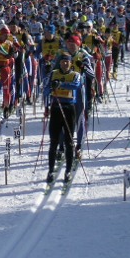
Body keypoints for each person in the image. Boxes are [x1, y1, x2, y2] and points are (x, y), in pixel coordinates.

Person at [44, 52, 82, 184]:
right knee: (53, 141)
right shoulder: (53, 74)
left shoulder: (75, 75)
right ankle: (50, 170)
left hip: (69, 108)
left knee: (69, 141)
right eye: (63, 61)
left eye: (67, 61)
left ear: (71, 63)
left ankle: (68, 171)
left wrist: (60, 84)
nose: (65, 63)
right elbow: (45, 90)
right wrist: (51, 87)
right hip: (56, 108)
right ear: (59, 62)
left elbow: (77, 86)